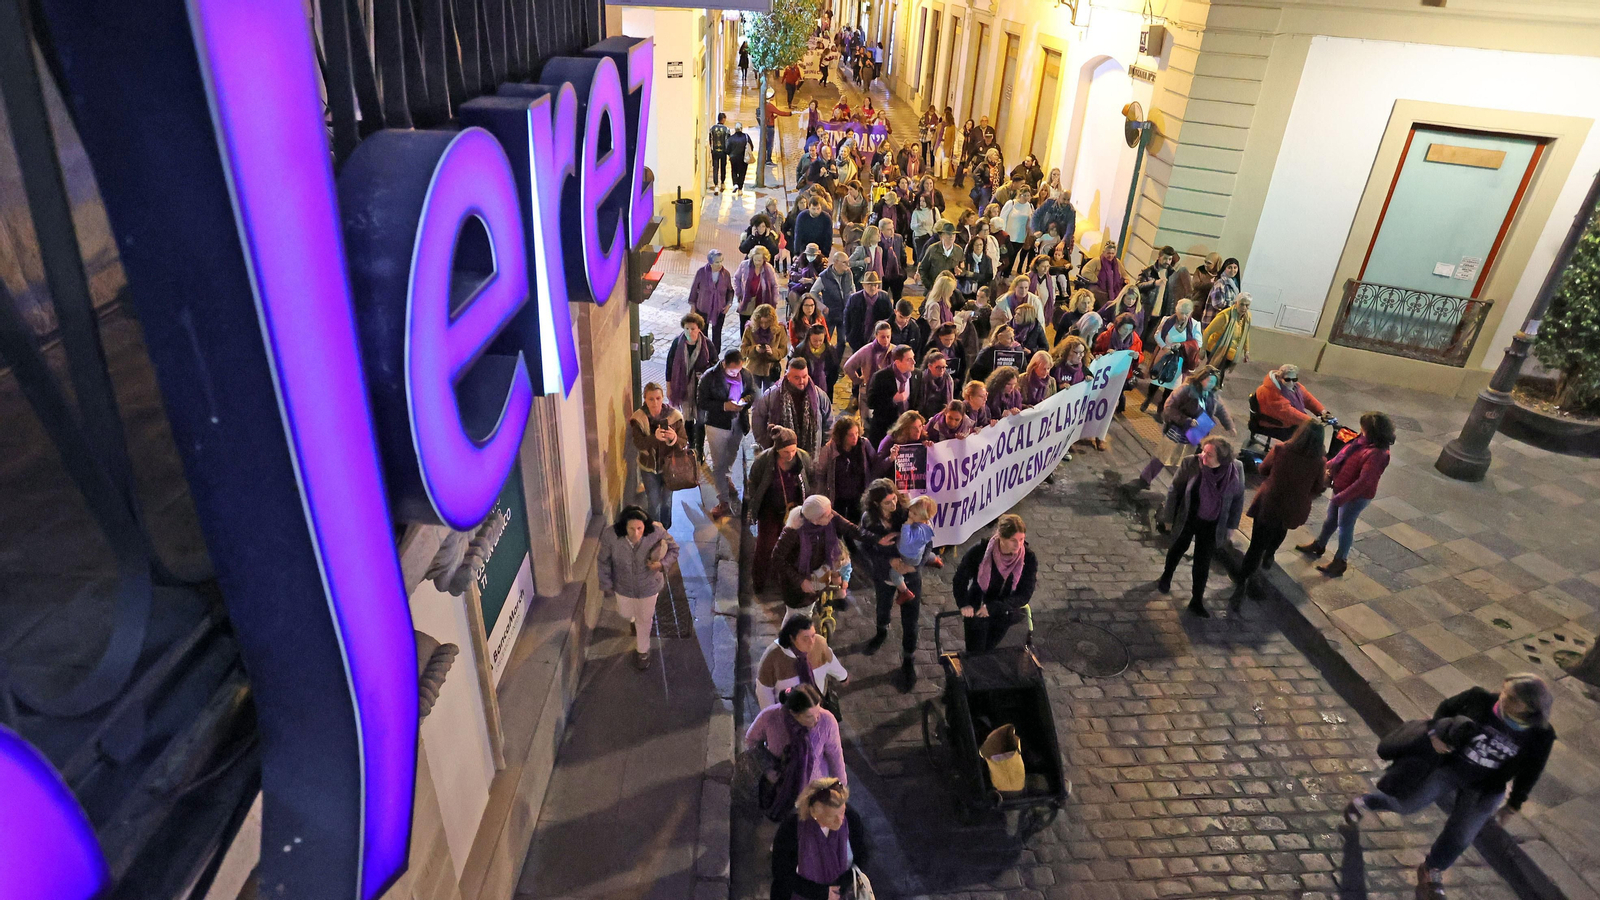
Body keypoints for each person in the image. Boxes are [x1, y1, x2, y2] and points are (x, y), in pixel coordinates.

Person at [1344, 674, 1555, 900]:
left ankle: (1432, 869)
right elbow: (1445, 709)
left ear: (1531, 708)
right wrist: (1435, 734)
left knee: (1461, 836)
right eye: (1506, 691)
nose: (1504, 699)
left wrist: (1513, 805)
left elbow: (1532, 771)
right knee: (1406, 804)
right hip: (1450, 768)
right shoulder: (1480, 699)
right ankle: (1367, 801)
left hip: (1485, 788)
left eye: (1514, 699)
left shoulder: (1540, 735)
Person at [1231, 420, 1327, 612]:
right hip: (1293, 506)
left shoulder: (1281, 449)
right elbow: (1318, 487)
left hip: (1270, 501)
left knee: (1256, 544)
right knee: (1280, 529)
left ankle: (1243, 580)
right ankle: (1270, 555)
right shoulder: (1319, 461)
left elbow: (1263, 469)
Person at [1296, 411, 1395, 578]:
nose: (1361, 430)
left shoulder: (1377, 454)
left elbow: (1364, 482)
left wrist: (1342, 498)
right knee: (1330, 520)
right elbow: (1343, 456)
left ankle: (1340, 561)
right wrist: (1327, 466)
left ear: (1372, 432)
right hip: (1341, 489)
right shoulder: (1362, 441)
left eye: (1364, 428)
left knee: (1345, 526)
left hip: (1355, 496)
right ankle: (1319, 545)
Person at [1157, 436, 1245, 618]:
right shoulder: (1191, 463)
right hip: (1189, 517)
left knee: (1202, 562)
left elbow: (1238, 499)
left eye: (1209, 454)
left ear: (1222, 459)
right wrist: (1168, 517)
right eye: (1203, 450)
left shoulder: (1236, 469)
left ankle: (1196, 599)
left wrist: (1231, 525)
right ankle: (1166, 577)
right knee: (1177, 548)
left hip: (1212, 523)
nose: (1203, 455)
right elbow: (1175, 490)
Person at [745, 683, 847, 822]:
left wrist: (840, 789)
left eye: (818, 712)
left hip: (814, 792)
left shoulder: (827, 721)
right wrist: (767, 770)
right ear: (793, 713)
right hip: (780, 790)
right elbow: (751, 741)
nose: (817, 719)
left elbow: (835, 757)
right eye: (809, 716)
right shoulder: (770, 717)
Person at [597, 506, 679, 669]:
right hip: (623, 586)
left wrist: (662, 564)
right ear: (624, 527)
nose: (636, 533)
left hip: (648, 586)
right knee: (625, 613)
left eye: (639, 528)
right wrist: (606, 584)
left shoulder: (656, 531)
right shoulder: (610, 535)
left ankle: (643, 651)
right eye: (631, 529)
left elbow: (674, 549)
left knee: (645, 618)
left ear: (645, 526)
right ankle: (633, 620)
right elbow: (603, 561)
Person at [1132, 364, 1235, 488]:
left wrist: (1230, 426)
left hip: (1198, 433)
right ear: (1201, 378)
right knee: (1163, 456)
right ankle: (1145, 478)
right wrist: (1185, 420)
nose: (1211, 384)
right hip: (1178, 430)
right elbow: (1169, 407)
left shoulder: (1213, 395)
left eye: (1214, 382)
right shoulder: (1186, 390)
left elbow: (1221, 410)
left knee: (1190, 462)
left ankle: (1183, 487)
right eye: (1209, 380)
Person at [769, 778, 869, 900]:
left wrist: (841, 886)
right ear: (814, 812)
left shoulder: (851, 818)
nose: (840, 820)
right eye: (832, 816)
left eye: (842, 812)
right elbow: (781, 872)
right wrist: (821, 893)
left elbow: (862, 856)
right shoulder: (792, 827)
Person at [953, 513, 1037, 653]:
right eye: (1013, 540)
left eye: (1021, 539)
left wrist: (993, 608)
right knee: (975, 653)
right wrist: (964, 604)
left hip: (1003, 612)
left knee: (989, 649)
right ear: (1001, 537)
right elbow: (960, 579)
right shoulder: (980, 550)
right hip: (977, 609)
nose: (1018, 545)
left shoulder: (1028, 558)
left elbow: (1025, 593)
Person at [771, 495, 864, 615]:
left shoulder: (821, 523)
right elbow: (777, 559)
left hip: (813, 581)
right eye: (828, 515)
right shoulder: (792, 533)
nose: (832, 516)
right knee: (796, 619)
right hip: (797, 588)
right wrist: (800, 581)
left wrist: (878, 538)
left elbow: (851, 530)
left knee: (806, 615)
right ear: (815, 520)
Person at [747, 426, 812, 592]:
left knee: (790, 545)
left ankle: (783, 578)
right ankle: (759, 581)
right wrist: (755, 504)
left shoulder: (802, 458)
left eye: (793, 450)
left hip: (794, 509)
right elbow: (753, 482)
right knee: (765, 546)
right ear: (777, 450)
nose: (790, 455)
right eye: (786, 452)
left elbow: (811, 478)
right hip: (769, 508)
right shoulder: (763, 461)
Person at [697, 349, 757, 519]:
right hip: (717, 425)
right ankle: (723, 500)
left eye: (738, 370)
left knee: (732, 454)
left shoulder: (745, 375)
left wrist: (745, 401)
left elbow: (752, 392)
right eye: (732, 371)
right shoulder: (709, 377)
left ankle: (727, 477)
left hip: (738, 422)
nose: (736, 373)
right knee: (718, 463)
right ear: (724, 364)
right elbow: (702, 402)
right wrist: (724, 406)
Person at [755, 613, 851, 707]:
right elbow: (764, 691)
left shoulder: (819, 643)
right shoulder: (773, 656)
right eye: (805, 638)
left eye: (813, 635)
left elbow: (830, 660)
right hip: (788, 712)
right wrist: (771, 715)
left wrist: (842, 676)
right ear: (792, 638)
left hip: (816, 707)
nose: (811, 642)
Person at [628, 382, 689, 528]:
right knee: (654, 502)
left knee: (667, 501)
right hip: (649, 468)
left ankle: (666, 530)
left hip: (670, 467)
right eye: (651, 399)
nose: (655, 403)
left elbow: (684, 442)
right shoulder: (639, 418)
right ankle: (655, 532)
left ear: (662, 398)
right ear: (645, 399)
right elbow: (639, 444)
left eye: (658, 398)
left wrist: (674, 438)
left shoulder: (674, 416)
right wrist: (654, 438)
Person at [752, 357, 834, 456]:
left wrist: (822, 447)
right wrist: (766, 443)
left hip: (810, 455)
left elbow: (828, 423)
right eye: (797, 377)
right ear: (787, 376)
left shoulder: (819, 396)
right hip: (780, 454)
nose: (802, 381)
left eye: (804, 376)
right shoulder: (771, 395)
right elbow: (758, 419)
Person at [664, 313, 714, 459]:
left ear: (699, 329)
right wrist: (669, 387)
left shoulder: (707, 345)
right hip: (683, 387)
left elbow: (715, 365)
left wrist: (705, 373)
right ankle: (691, 446)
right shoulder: (677, 343)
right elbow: (669, 365)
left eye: (693, 328)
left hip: (701, 389)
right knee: (687, 418)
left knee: (700, 419)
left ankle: (700, 449)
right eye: (687, 328)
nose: (689, 332)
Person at [1142, 298, 1204, 414]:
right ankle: (1148, 399)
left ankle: (1161, 409)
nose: (1184, 316)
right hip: (1164, 354)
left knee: (1170, 387)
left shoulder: (1195, 325)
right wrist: (1164, 346)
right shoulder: (1167, 320)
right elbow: (1157, 335)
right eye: (1181, 313)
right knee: (1155, 379)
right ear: (1176, 311)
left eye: (1187, 313)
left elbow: (1198, 342)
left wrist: (1181, 345)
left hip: (1179, 360)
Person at [811, 416, 876, 527]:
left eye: (856, 433)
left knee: (855, 524)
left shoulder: (864, 444)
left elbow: (875, 463)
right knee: (838, 524)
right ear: (842, 436)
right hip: (838, 496)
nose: (855, 437)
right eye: (850, 435)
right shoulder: (830, 449)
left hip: (858, 494)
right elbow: (820, 473)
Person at [863, 345, 917, 447]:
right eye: (909, 359)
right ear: (897, 362)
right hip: (884, 429)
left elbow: (918, 400)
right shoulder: (880, 377)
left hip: (907, 431)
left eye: (913, 358)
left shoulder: (916, 375)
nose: (914, 362)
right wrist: (892, 400)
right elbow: (871, 402)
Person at [1137, 246, 1192, 343]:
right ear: (1159, 257)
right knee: (1140, 335)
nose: (1167, 261)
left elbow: (1174, 293)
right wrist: (1154, 283)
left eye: (1170, 259)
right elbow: (1138, 286)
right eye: (1165, 258)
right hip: (1146, 309)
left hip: (1162, 311)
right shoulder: (1148, 271)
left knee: (1152, 338)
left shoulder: (1172, 273)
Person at [1254, 364, 1329, 429]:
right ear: (1279, 378)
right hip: (1276, 422)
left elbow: (1307, 398)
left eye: (1294, 379)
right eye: (1287, 379)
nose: (1292, 383)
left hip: (1288, 419)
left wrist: (1322, 411)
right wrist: (1311, 422)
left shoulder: (1295, 386)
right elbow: (1290, 413)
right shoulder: (1274, 393)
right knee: (1306, 437)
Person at [689, 249, 736, 352]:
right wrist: (692, 305)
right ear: (710, 262)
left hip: (720, 309)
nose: (720, 264)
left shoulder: (726, 274)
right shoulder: (701, 272)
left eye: (721, 261)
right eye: (717, 262)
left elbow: (730, 291)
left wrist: (728, 304)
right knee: (702, 333)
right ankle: (703, 353)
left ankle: (715, 355)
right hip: (703, 308)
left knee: (717, 333)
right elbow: (694, 289)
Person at [843, 321, 894, 412]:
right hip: (868, 390)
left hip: (888, 392)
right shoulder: (867, 350)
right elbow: (848, 366)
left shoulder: (894, 350)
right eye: (882, 337)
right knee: (867, 422)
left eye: (888, 336)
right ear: (876, 335)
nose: (886, 340)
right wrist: (857, 380)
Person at [1202, 291, 1251, 382]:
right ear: (1236, 303)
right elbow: (1207, 332)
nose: (1244, 308)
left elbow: (1245, 333)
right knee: (1213, 374)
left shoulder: (1247, 317)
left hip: (1230, 353)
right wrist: (1202, 350)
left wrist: (1246, 350)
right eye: (1242, 304)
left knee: (1218, 374)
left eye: (1247, 305)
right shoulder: (1225, 316)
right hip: (1216, 349)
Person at [841, 270, 891, 355]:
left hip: (878, 339)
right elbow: (847, 318)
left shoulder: (884, 297)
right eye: (869, 284)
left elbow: (890, 317)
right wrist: (849, 336)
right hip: (857, 338)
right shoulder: (854, 298)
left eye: (875, 285)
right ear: (863, 285)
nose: (873, 287)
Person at [812, 251, 856, 342]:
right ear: (836, 262)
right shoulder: (824, 277)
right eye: (844, 262)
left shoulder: (848, 273)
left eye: (847, 262)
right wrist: (822, 307)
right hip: (830, 314)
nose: (847, 265)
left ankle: (837, 356)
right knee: (826, 340)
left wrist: (852, 302)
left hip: (844, 313)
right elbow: (812, 293)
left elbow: (852, 287)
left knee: (842, 342)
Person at [794, 324, 842, 397]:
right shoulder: (801, 350)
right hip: (805, 387)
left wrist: (829, 383)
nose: (818, 343)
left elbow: (834, 369)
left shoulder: (830, 350)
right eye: (815, 341)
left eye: (820, 340)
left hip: (825, 387)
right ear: (809, 338)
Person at [1078, 240, 1130, 307]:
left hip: (1113, 288)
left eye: (1112, 253)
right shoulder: (1097, 261)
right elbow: (1085, 271)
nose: (1110, 255)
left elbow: (1124, 274)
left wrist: (1126, 279)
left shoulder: (1117, 262)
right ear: (1104, 252)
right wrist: (1096, 280)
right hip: (1099, 286)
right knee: (1100, 295)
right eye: (1108, 253)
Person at [918, 221, 963, 291]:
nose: (951, 236)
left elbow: (963, 269)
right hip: (933, 289)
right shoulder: (932, 249)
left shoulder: (959, 251)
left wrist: (960, 272)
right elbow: (922, 269)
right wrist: (930, 286)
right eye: (948, 234)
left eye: (954, 234)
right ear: (941, 236)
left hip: (950, 290)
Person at [912, 350, 956, 420]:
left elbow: (948, 402)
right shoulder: (922, 379)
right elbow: (919, 402)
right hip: (923, 415)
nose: (942, 370)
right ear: (930, 366)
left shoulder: (948, 380)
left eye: (944, 367)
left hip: (942, 415)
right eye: (938, 367)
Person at [792, 194, 835, 261]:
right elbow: (798, 235)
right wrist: (796, 253)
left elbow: (828, 237)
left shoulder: (826, 218)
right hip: (805, 247)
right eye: (813, 209)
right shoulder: (802, 217)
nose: (816, 211)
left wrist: (826, 254)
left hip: (820, 247)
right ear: (809, 207)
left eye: (818, 209)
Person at [788, 242, 827, 314]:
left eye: (813, 255)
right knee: (793, 294)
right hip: (800, 287)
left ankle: (816, 315)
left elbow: (824, 277)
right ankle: (796, 315)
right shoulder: (799, 260)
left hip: (815, 288)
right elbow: (791, 273)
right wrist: (801, 277)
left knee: (819, 296)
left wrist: (812, 280)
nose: (811, 256)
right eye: (809, 254)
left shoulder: (822, 262)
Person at [1203, 257, 1241, 325]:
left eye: (1235, 267)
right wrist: (1234, 305)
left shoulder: (1234, 284)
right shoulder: (1220, 283)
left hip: (1225, 321)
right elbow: (1217, 303)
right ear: (1225, 269)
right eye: (1229, 267)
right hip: (1214, 320)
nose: (1232, 270)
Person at [727, 122, 754, 192]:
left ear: (735, 129)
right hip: (743, 158)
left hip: (734, 158)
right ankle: (740, 189)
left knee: (734, 171)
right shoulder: (746, 137)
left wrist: (730, 154)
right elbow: (751, 147)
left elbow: (727, 150)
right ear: (741, 129)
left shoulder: (731, 138)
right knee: (742, 173)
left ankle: (735, 184)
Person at [708, 113, 731, 194]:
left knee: (715, 168)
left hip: (715, 152)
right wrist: (728, 152)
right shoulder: (726, 129)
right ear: (723, 119)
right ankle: (722, 183)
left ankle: (716, 186)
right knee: (723, 167)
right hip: (723, 152)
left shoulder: (712, 128)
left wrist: (712, 149)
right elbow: (728, 142)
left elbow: (710, 140)